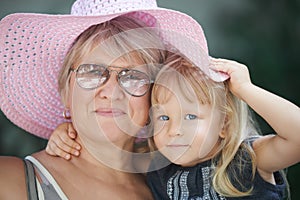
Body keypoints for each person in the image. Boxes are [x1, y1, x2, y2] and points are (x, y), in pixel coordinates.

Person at [0, 0, 224, 199]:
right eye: (92, 72)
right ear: (66, 91)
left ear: (153, 98)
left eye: (133, 76)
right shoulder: (9, 181)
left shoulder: (179, 188)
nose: (111, 92)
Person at [46, 53, 300, 199]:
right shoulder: (155, 164)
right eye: (164, 118)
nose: (176, 130)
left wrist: (246, 90)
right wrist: (69, 134)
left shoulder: (244, 160)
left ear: (223, 124)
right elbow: (108, 151)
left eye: (191, 117)